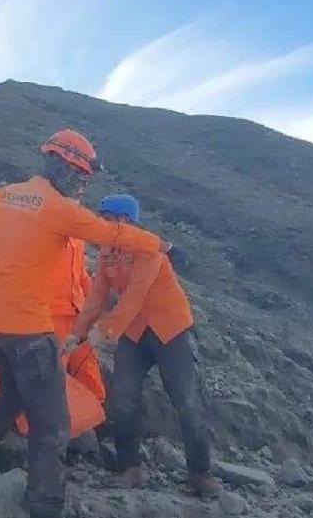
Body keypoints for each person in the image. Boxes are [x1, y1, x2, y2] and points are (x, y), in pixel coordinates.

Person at [0, 129, 180, 518]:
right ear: (62, 165)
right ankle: (46, 505)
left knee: (10, 396)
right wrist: (159, 245)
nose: (81, 184)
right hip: (29, 331)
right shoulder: (58, 208)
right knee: (52, 425)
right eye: (80, 176)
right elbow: (112, 233)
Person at [66, 194, 222, 499]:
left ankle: (199, 473)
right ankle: (130, 468)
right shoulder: (106, 253)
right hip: (134, 334)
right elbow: (97, 297)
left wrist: (104, 331)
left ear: (125, 222)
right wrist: (77, 332)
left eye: (107, 219)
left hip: (170, 330)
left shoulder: (149, 249)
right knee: (124, 399)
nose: (103, 224)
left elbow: (134, 297)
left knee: (186, 401)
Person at [48, 238, 105, 403]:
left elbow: (81, 275)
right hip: (52, 315)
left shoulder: (77, 239)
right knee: (54, 370)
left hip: (78, 315)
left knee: (86, 363)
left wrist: (94, 305)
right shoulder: (43, 235)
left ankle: (94, 410)